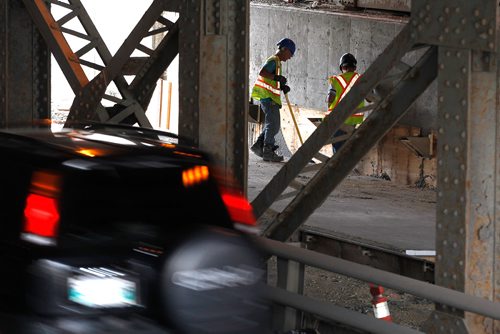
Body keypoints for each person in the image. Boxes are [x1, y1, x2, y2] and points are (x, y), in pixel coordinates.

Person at [250, 38, 295, 162]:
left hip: (270, 98)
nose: (290, 57)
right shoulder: (274, 60)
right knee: (274, 125)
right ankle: (267, 151)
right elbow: (262, 73)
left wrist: (281, 85)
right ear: (284, 49)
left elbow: (271, 80)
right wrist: (277, 77)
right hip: (268, 98)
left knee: (272, 124)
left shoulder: (277, 63)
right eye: (291, 53)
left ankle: (259, 146)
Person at [326, 52, 365, 154]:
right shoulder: (362, 79)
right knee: (348, 148)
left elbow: (330, 98)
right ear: (354, 67)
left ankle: (336, 169)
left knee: (337, 149)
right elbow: (369, 99)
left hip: (338, 119)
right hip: (354, 120)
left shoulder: (336, 80)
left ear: (342, 67)